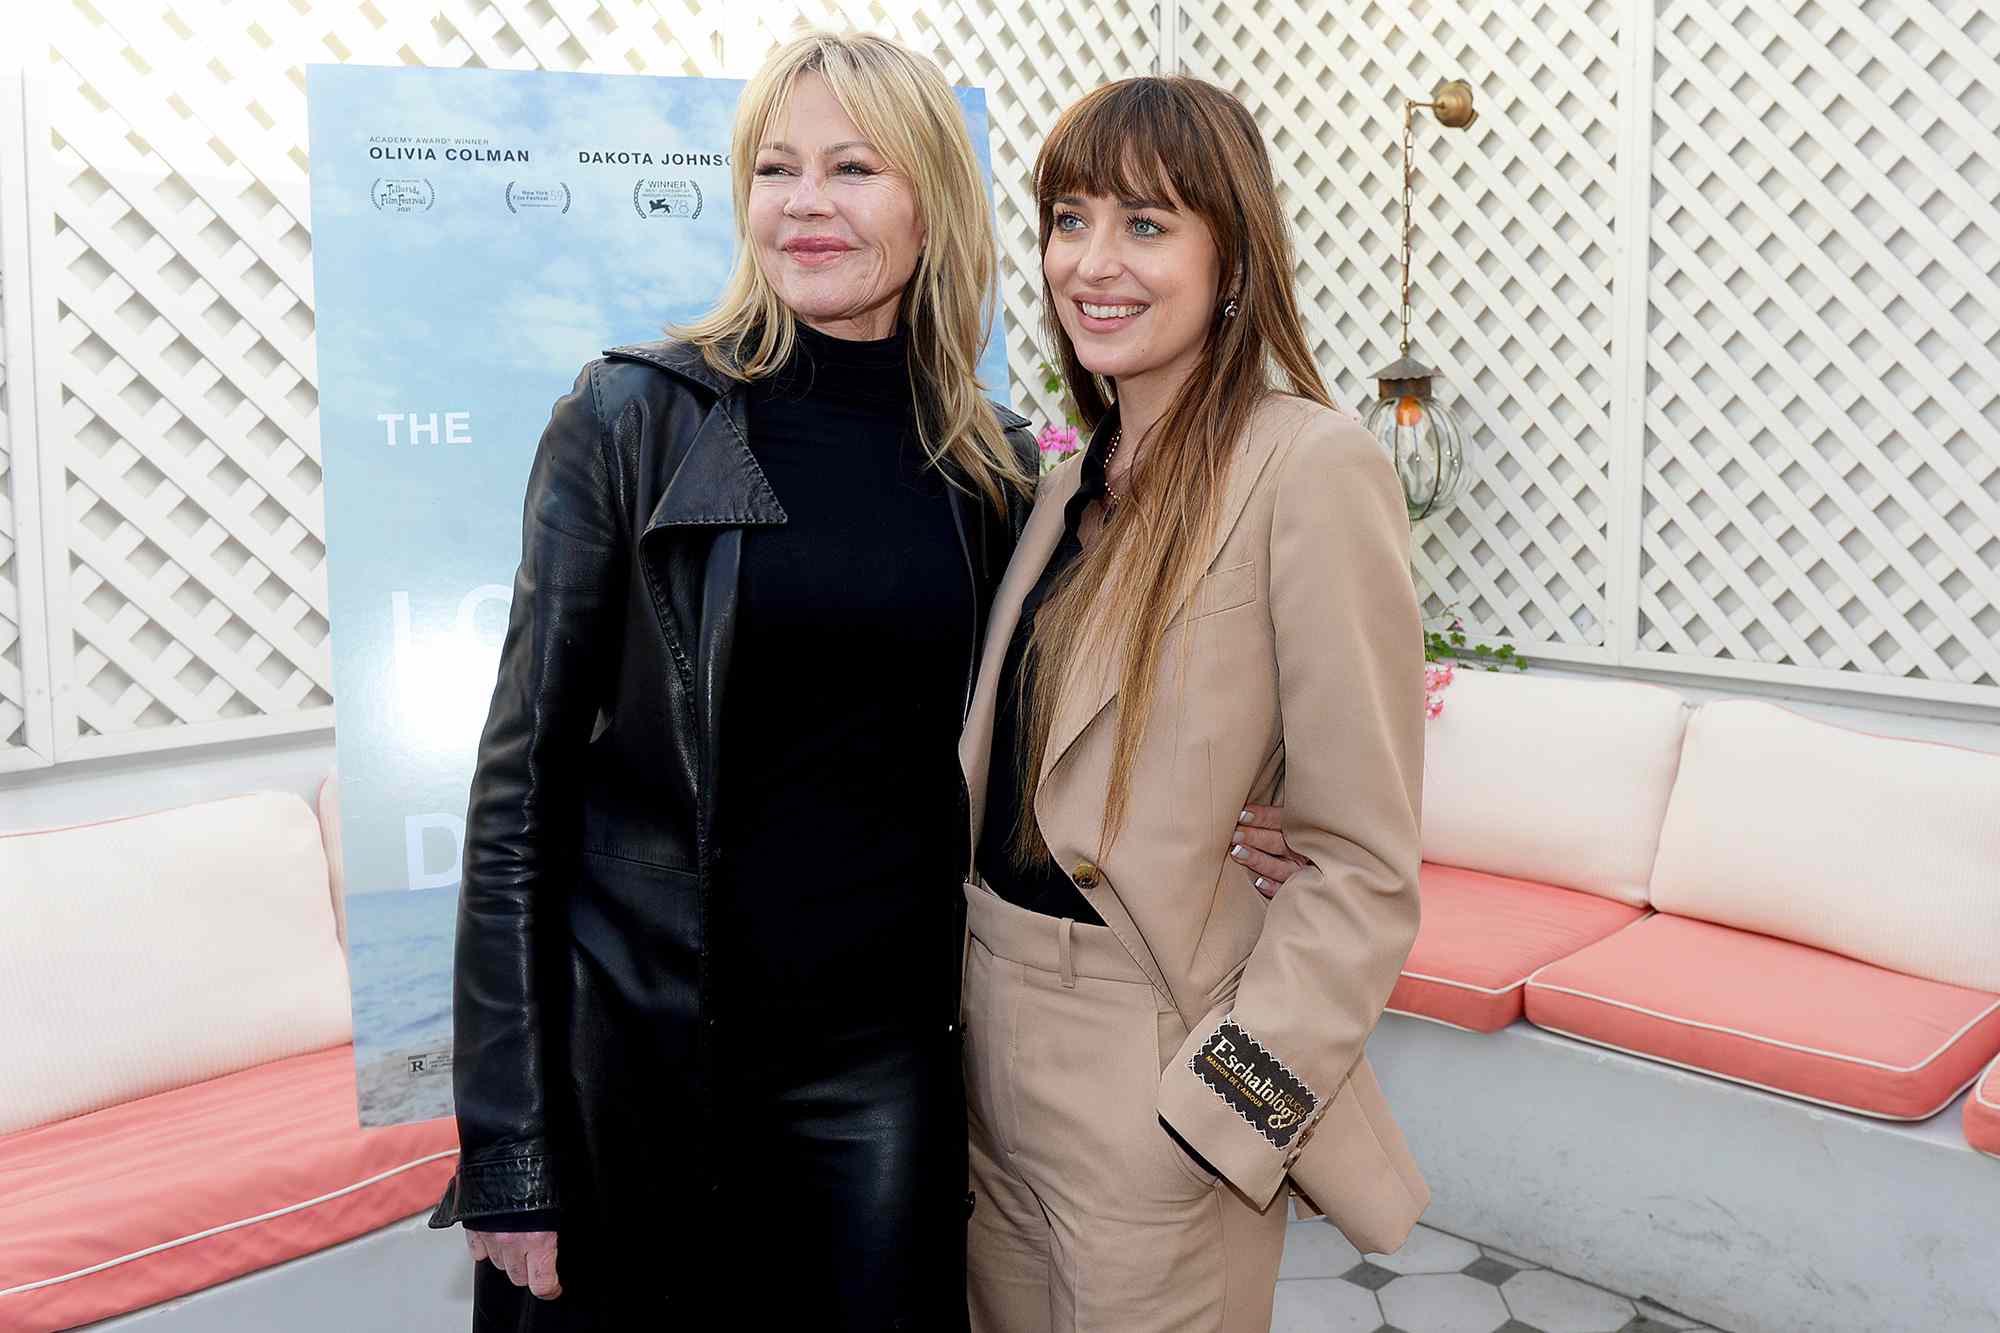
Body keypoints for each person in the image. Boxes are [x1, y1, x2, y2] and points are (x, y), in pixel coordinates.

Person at [426, 33, 1299, 1329]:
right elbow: (519, 803)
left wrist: (1257, 808)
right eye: (776, 168)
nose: (805, 202)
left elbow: (1085, 724)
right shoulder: (628, 423)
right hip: (644, 1078)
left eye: (851, 166)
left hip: (885, 1082)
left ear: (931, 202)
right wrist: (511, 1142)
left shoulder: (1000, 472)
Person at [959, 75, 1430, 1331]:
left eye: (1146, 224)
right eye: (1068, 220)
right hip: (985, 1048)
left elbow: (1364, 867)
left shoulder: (1311, 467)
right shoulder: (1061, 490)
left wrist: (1229, 1114)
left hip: (1156, 1065)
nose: (1092, 262)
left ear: (1233, 256)